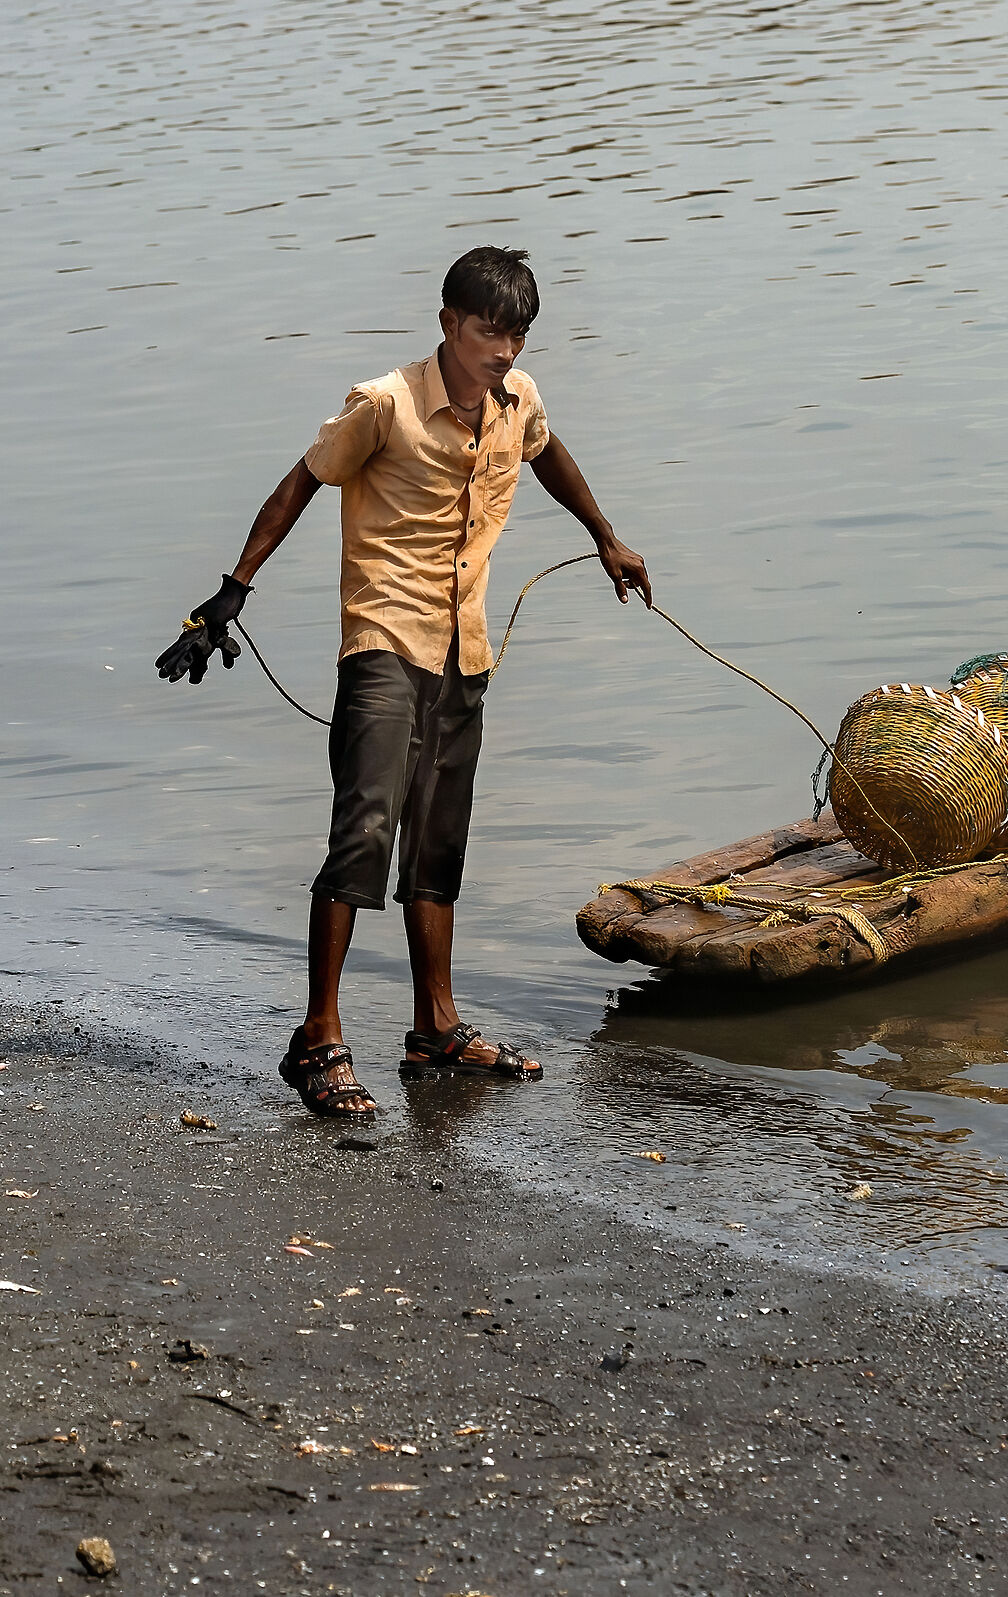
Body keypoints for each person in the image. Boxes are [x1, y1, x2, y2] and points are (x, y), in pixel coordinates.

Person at [155, 246, 650, 1120]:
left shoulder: (517, 402)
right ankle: (318, 1036)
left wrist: (606, 535)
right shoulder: (384, 406)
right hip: (383, 641)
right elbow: (304, 481)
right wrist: (234, 589)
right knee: (363, 832)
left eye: (518, 334)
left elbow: (546, 453)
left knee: (438, 840)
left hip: (464, 651)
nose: (503, 349)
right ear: (449, 324)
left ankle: (435, 1027)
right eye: (488, 331)